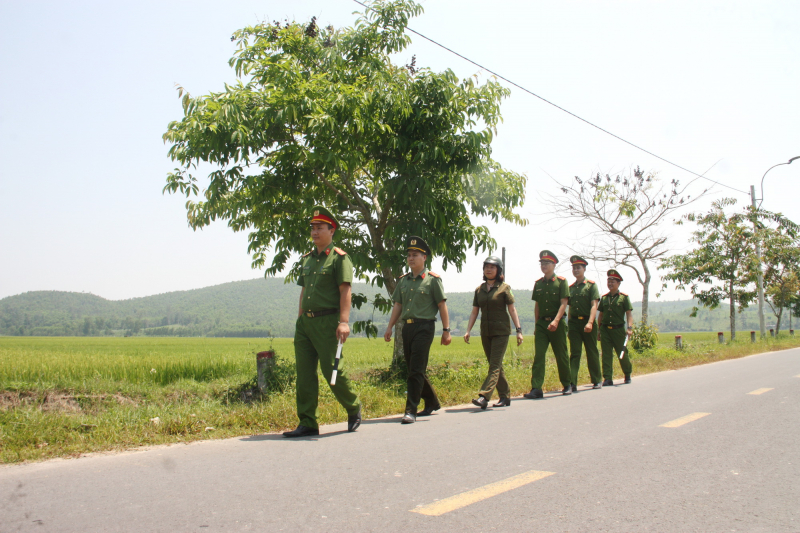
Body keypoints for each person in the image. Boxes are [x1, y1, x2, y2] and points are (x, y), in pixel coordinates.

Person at [283, 206, 362, 438]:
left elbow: (345, 290)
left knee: (333, 371)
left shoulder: (339, 258)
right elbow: (304, 291)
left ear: (331, 230)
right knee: (305, 375)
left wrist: (344, 322)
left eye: (320, 228)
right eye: (312, 228)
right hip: (305, 324)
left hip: (328, 322)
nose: (315, 232)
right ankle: (308, 421)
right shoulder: (307, 259)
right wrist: (300, 320)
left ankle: (353, 406)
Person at [384, 236, 452, 424]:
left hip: (425, 327)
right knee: (414, 368)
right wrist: (390, 326)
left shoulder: (432, 280)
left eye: (415, 255)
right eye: (409, 255)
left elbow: (441, 305)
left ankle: (410, 410)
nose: (411, 258)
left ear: (424, 258)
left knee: (415, 369)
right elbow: (398, 305)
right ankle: (431, 401)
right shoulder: (403, 281)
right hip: (407, 327)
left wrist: (446, 330)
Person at [463, 256, 523, 409]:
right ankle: (505, 396)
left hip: (501, 332)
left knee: (494, 365)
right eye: (486, 267)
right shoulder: (479, 290)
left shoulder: (504, 288)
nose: (489, 269)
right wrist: (468, 330)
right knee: (495, 365)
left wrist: (518, 330)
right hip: (486, 331)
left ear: (498, 270)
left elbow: (512, 309)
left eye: (492, 267)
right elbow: (474, 312)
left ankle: (484, 396)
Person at [524, 250, 572, 399]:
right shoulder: (538, 284)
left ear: (554, 264)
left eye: (547, 263)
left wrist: (556, 321)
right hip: (542, 325)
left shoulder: (561, 282)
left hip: (557, 323)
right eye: (542, 263)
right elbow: (537, 305)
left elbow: (564, 304)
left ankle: (567, 384)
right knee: (539, 356)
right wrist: (537, 325)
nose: (543, 266)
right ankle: (536, 388)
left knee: (561, 355)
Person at [568, 255, 602, 392]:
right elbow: (569, 308)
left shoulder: (591, 286)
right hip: (574, 324)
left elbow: (594, 305)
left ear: (584, 269)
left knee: (591, 351)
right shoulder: (570, 288)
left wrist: (590, 323)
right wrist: (569, 324)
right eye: (574, 268)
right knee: (575, 353)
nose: (576, 270)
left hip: (588, 322)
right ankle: (572, 382)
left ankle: (597, 379)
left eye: (578, 268)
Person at [597, 269, 634, 386]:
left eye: (613, 281)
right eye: (609, 281)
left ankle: (627, 374)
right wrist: (599, 330)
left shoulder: (623, 298)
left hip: (618, 330)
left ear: (618, 283)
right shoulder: (604, 298)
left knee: (622, 354)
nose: (610, 284)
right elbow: (601, 315)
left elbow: (629, 314)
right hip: (606, 329)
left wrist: (629, 328)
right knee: (606, 355)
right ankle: (607, 378)